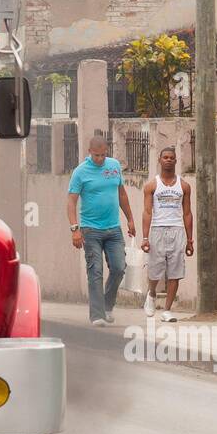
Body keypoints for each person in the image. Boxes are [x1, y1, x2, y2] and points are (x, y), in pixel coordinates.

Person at [67, 134, 136, 326]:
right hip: (90, 230)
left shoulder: (113, 166)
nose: (100, 159)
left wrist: (130, 219)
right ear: (89, 152)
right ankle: (97, 315)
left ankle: (107, 305)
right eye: (96, 155)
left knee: (119, 268)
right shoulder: (80, 172)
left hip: (113, 229)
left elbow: (121, 193)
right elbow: (71, 201)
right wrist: (75, 229)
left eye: (103, 155)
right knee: (95, 270)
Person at [141, 146, 193, 321]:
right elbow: (147, 212)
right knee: (155, 269)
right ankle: (152, 293)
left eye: (172, 157)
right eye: (166, 157)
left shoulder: (184, 186)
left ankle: (167, 309)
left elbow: (187, 213)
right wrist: (145, 237)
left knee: (175, 271)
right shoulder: (152, 186)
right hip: (157, 230)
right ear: (160, 160)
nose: (169, 160)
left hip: (177, 230)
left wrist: (190, 239)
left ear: (176, 161)